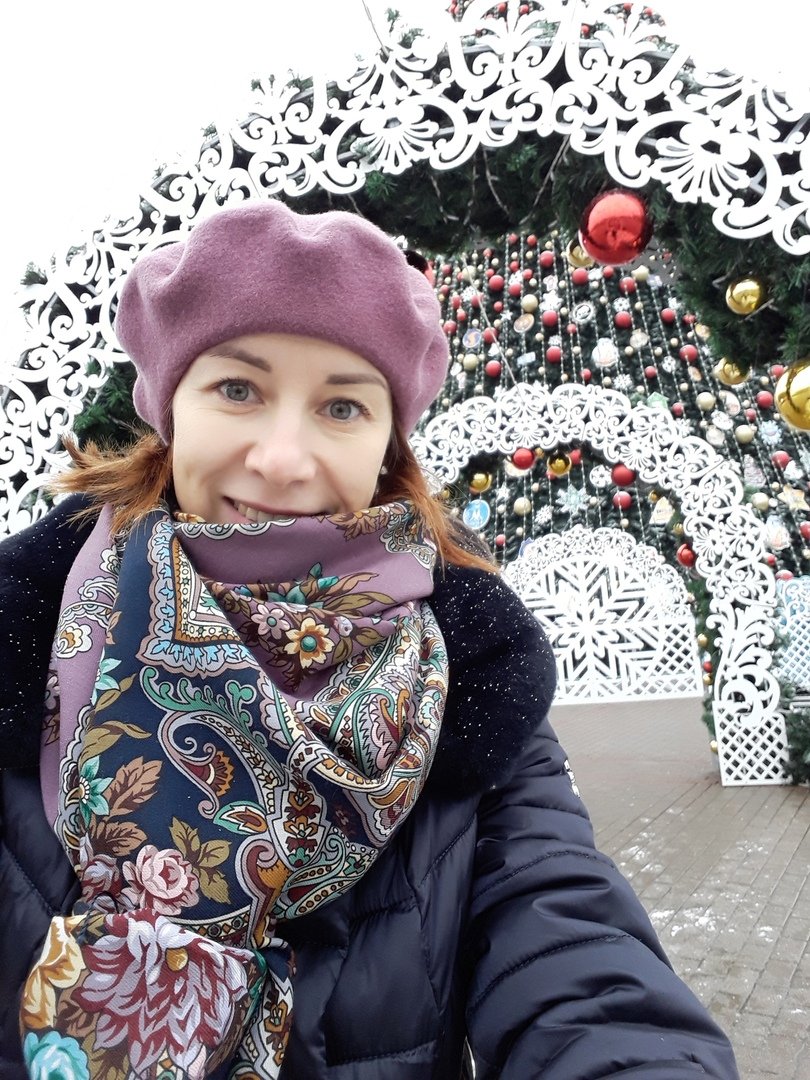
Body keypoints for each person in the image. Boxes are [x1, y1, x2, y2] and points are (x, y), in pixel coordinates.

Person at [0, 200, 738, 1080]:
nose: (281, 459)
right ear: (169, 407)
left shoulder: (465, 674)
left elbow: (565, 931)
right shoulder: (29, 632)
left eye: (342, 406)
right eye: (237, 389)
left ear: (388, 444)